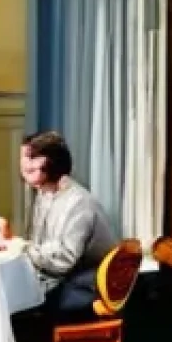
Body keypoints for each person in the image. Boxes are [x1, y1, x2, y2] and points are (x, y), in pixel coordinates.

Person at [20, 131, 116, 318]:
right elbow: (43, 246)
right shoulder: (44, 195)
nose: (24, 164)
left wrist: (25, 249)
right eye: (24, 157)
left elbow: (64, 260)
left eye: (31, 157)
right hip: (62, 280)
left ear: (52, 160)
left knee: (18, 307)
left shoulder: (78, 202)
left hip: (87, 287)